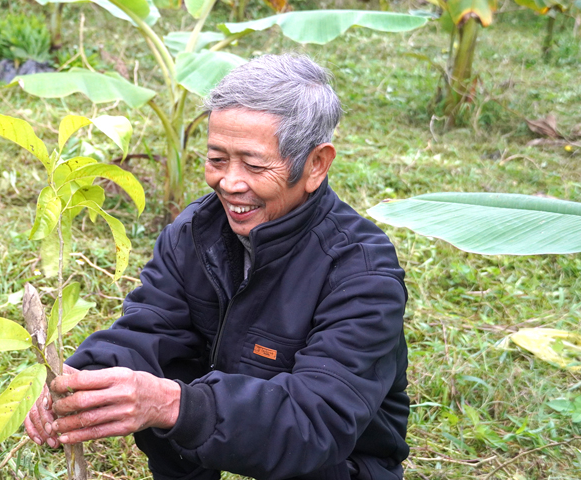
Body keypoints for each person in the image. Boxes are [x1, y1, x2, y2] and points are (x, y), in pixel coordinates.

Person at [25, 54, 409, 480]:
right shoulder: (195, 232)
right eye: (217, 159)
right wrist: (81, 380)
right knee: (162, 379)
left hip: (338, 462)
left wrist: (172, 403)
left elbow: (317, 422)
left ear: (316, 164)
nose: (229, 183)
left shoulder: (362, 271)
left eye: (255, 164)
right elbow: (148, 328)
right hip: (236, 426)